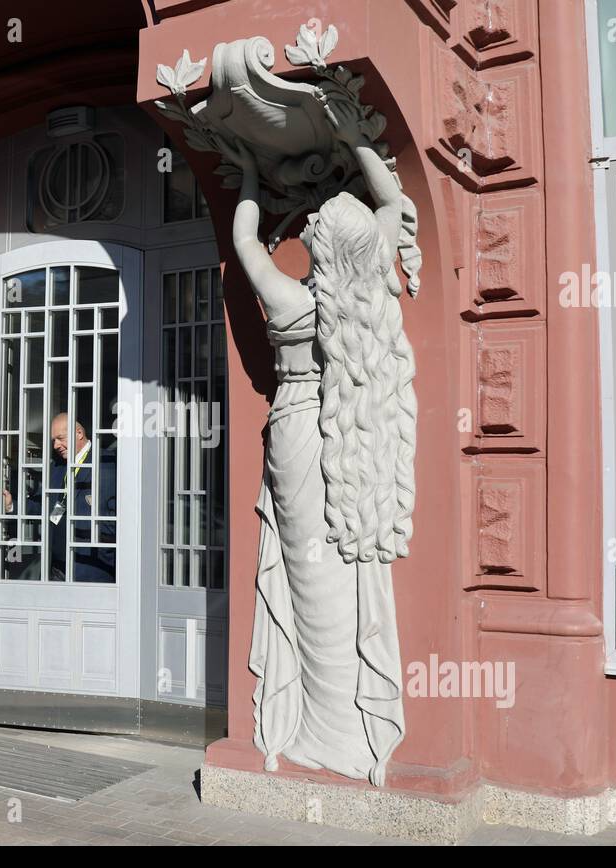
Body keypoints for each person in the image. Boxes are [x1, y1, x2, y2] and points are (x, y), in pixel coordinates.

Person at [218, 97, 421, 786]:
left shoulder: (288, 300)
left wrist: (246, 173)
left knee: (306, 573)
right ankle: (354, 729)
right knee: (348, 574)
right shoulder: (368, 292)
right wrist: (355, 135)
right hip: (352, 437)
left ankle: (309, 722)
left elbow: (245, 243)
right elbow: (394, 201)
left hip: (299, 434)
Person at [3, 412, 116, 582]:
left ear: (79, 433)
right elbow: (45, 507)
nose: (56, 445)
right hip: (58, 567)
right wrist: (12, 505)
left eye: (60, 438)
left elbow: (119, 515)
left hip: (94, 568)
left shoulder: (107, 463)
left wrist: (106, 550)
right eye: (53, 440)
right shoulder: (57, 467)